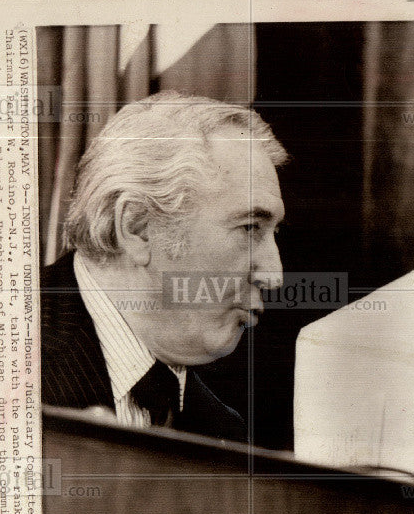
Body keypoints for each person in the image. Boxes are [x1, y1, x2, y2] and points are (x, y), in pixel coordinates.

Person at [41, 91, 287, 443]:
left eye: (272, 232)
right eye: (249, 228)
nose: (273, 275)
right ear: (139, 228)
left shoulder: (223, 430)